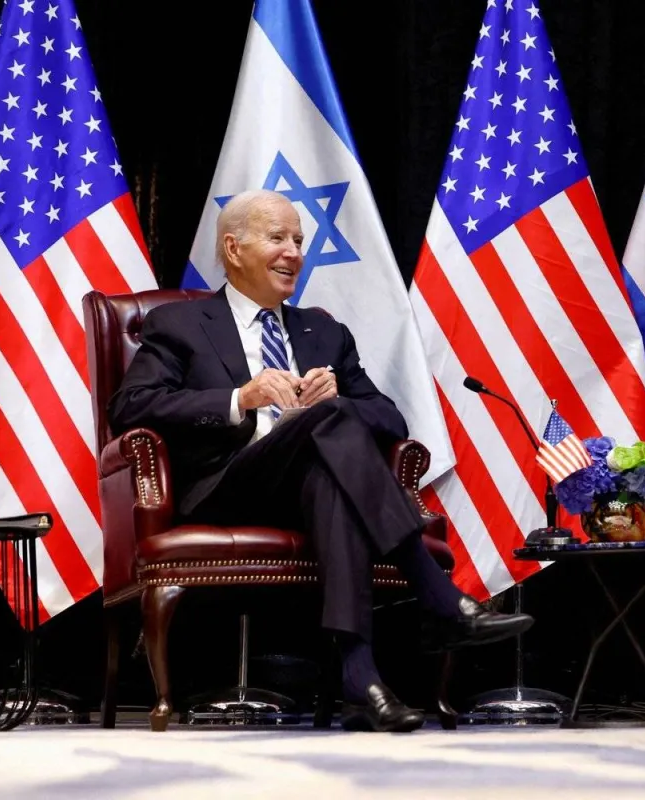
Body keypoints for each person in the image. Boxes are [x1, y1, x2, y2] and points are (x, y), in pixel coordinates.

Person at [109, 189, 532, 733]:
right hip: (227, 487)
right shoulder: (181, 324)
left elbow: (389, 419)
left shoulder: (324, 332)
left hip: (312, 488)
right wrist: (241, 397)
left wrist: (338, 401)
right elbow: (131, 407)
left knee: (331, 465)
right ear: (233, 248)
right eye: (278, 238)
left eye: (299, 240)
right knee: (332, 427)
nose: (294, 253)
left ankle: (362, 682)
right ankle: (437, 597)